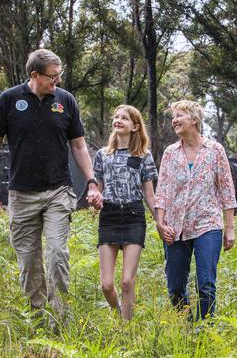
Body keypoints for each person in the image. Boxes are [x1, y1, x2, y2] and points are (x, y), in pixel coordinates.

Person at [0, 49, 102, 326]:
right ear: (34, 75)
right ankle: (38, 319)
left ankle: (58, 321)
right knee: (29, 262)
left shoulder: (66, 101)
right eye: (52, 76)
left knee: (58, 253)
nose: (57, 81)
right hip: (21, 194)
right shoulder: (9, 100)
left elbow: (79, 145)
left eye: (60, 75)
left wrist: (92, 180)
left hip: (58, 190)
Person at [154, 100, 237, 321]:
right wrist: (160, 224)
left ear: (194, 119)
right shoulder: (170, 153)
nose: (174, 120)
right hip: (175, 227)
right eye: (173, 116)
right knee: (175, 288)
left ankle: (205, 333)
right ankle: (188, 326)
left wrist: (229, 228)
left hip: (207, 224)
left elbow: (226, 189)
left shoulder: (215, 150)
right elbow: (161, 191)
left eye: (179, 115)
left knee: (206, 284)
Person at [92, 105, 158, 320]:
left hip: (133, 217)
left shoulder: (143, 156)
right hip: (109, 217)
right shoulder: (102, 155)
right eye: (116, 117)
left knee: (127, 281)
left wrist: (160, 221)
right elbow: (98, 190)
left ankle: (126, 327)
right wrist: (95, 199)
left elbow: (150, 194)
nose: (118, 120)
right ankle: (118, 311)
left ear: (135, 126)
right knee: (106, 284)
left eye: (124, 118)